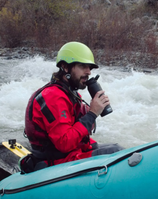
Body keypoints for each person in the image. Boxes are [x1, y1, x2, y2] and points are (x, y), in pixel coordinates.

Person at [22, 41, 124, 172]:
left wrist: (91, 111)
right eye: (83, 66)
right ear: (65, 67)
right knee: (116, 151)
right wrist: (92, 114)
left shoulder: (70, 93)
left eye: (89, 67)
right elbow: (64, 143)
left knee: (115, 147)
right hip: (55, 162)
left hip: (68, 155)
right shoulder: (53, 96)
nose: (88, 72)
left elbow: (79, 130)